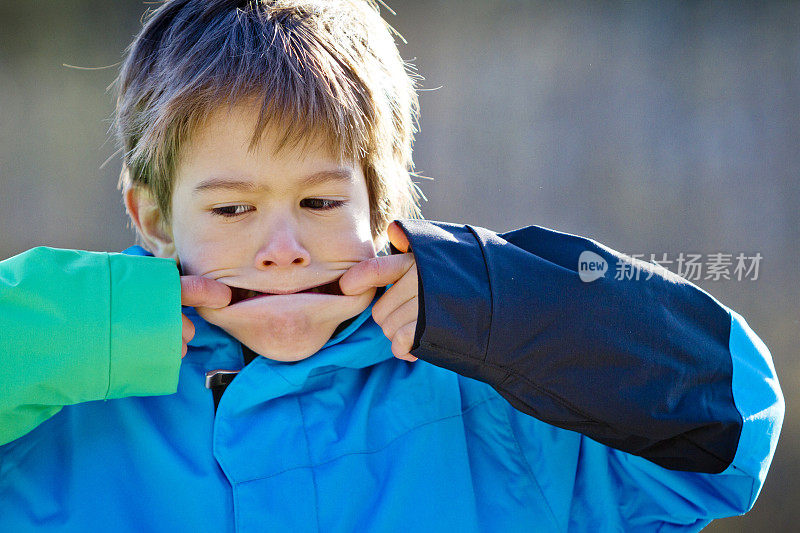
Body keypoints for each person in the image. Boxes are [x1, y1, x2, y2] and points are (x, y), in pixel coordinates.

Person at [0, 1, 783, 531]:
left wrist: (494, 299)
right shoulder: (59, 406)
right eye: (232, 209)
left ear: (381, 209)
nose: (283, 250)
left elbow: (731, 417)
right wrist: (91, 323)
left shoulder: (495, 405)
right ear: (152, 220)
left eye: (318, 202)